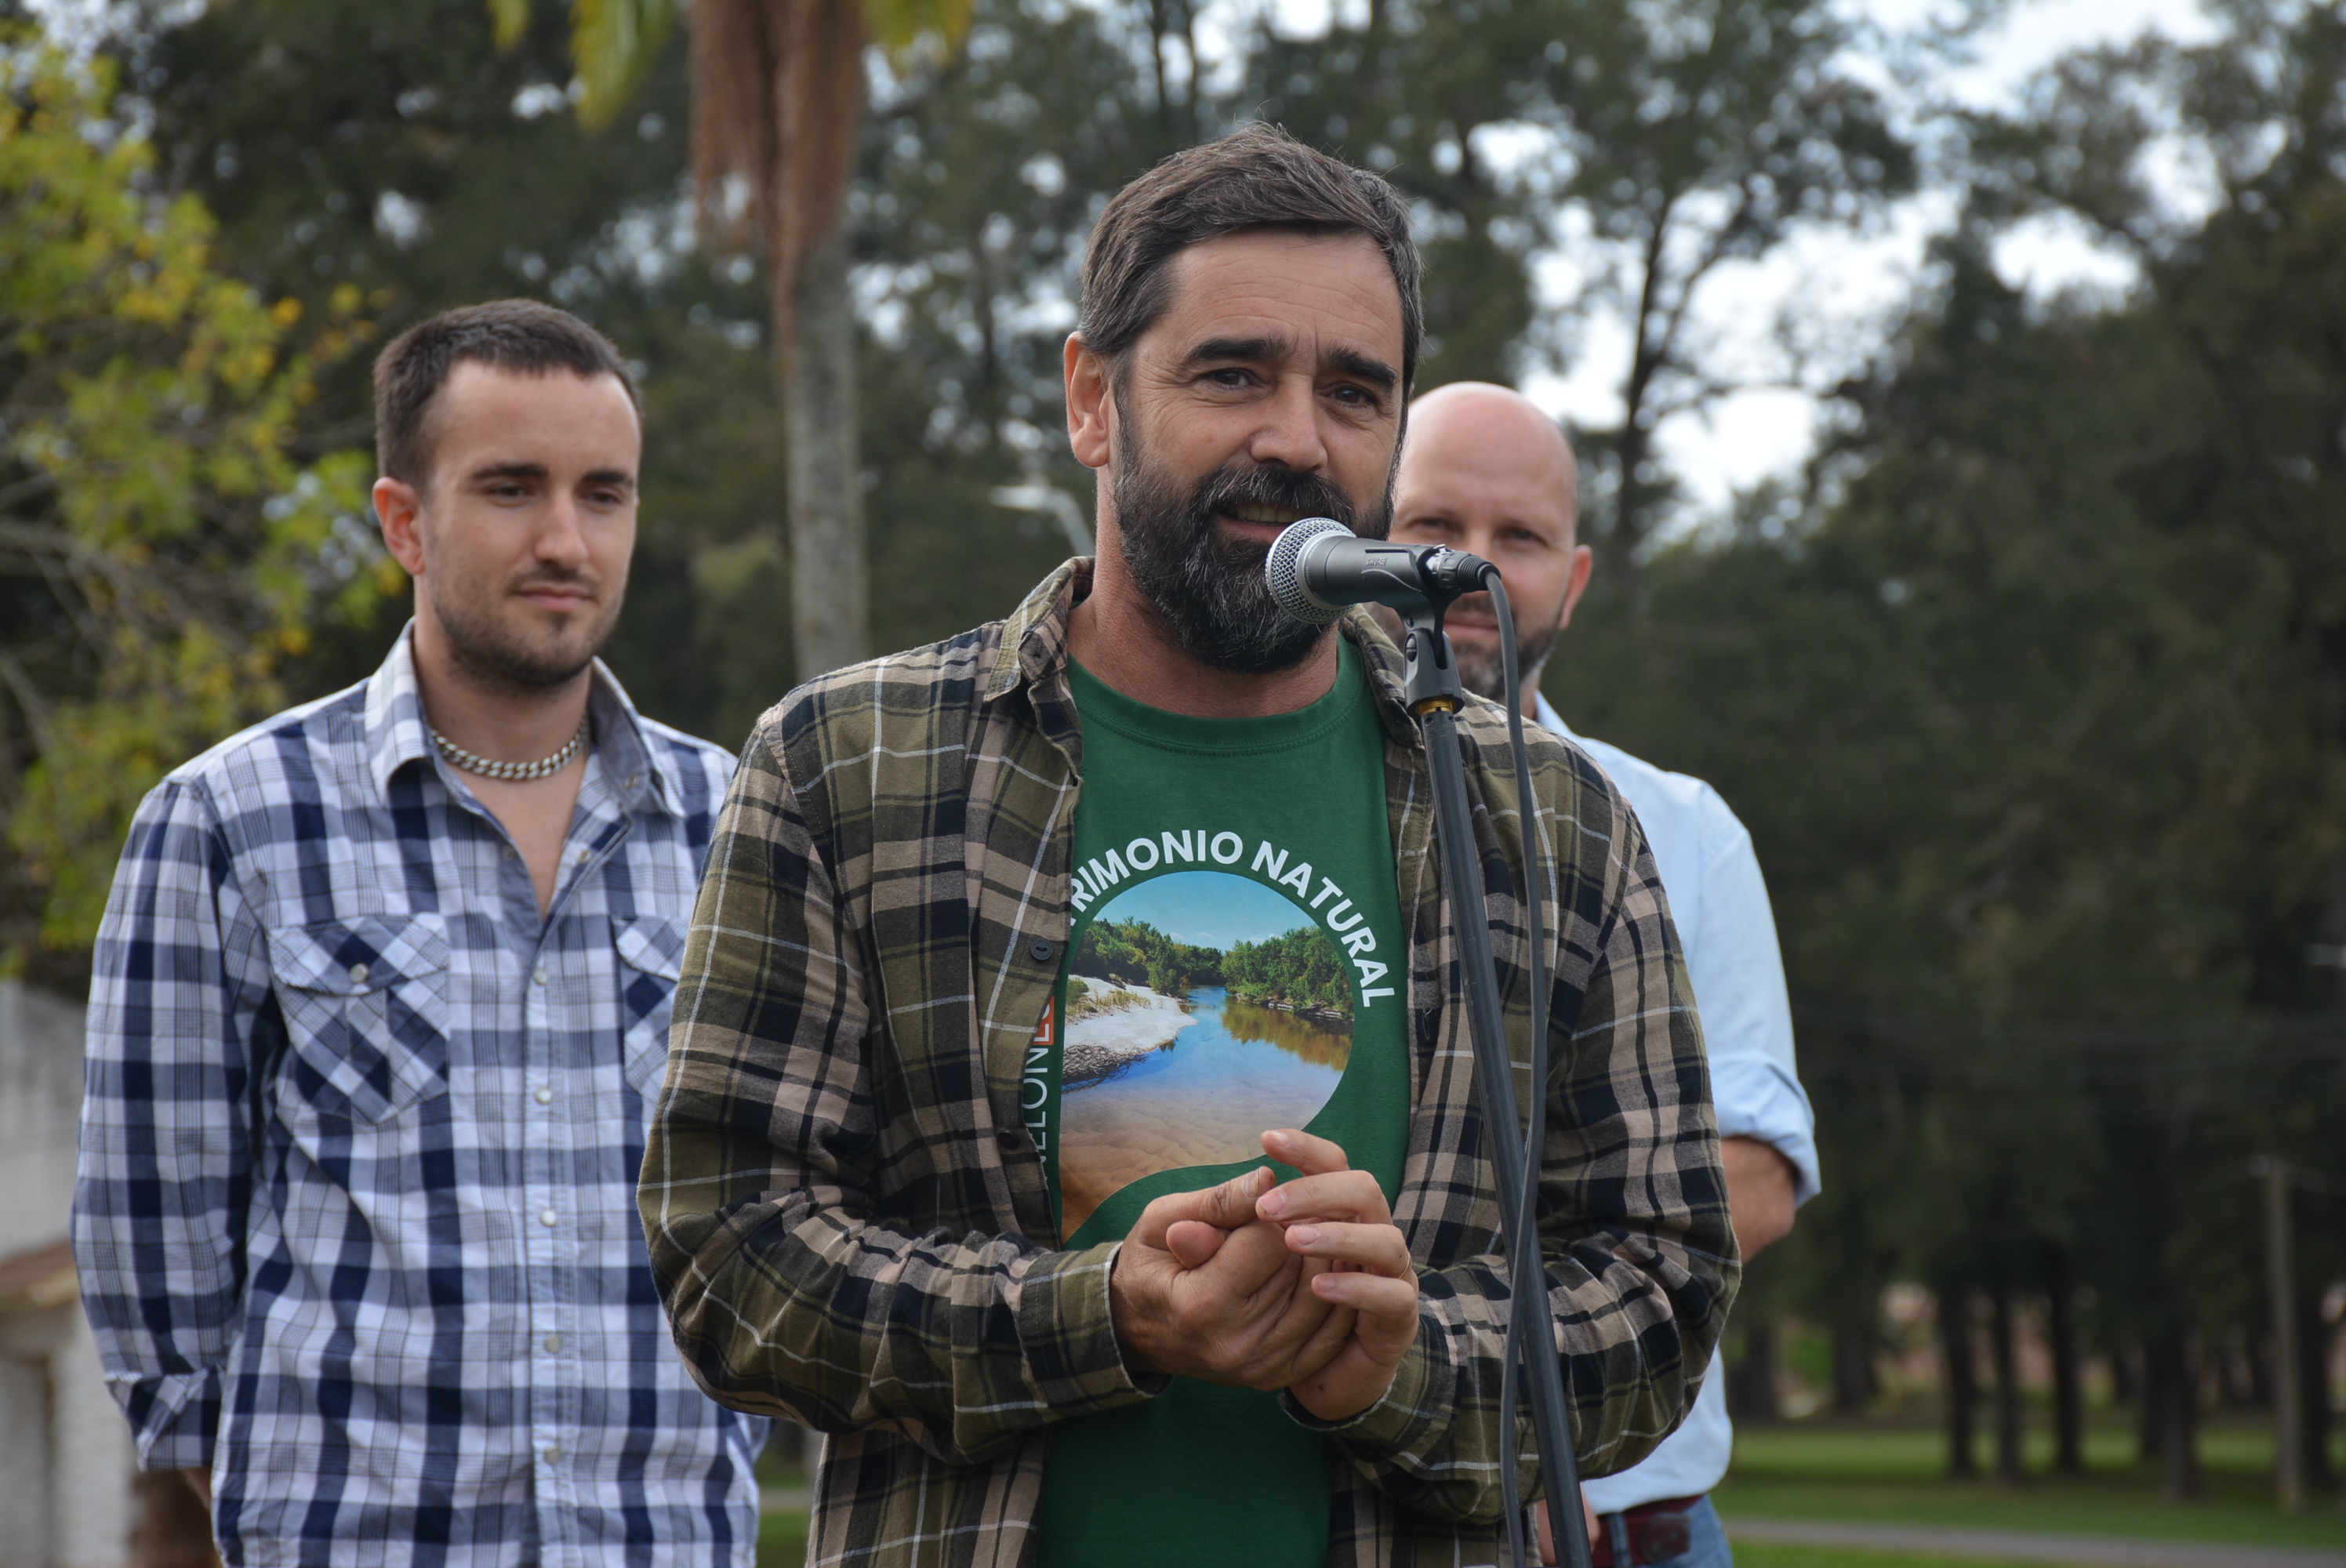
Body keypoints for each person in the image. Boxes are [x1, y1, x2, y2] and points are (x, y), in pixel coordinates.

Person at [639, 126, 1736, 1568]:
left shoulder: (1547, 814)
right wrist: (1110, 1318)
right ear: (1093, 399)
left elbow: (1662, 1280)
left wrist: (1400, 1367)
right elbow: (729, 1252)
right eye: (1233, 373)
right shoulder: (850, 765)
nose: (1298, 438)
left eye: (1355, 391)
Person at [71, 299, 768, 1563]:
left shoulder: (738, 823)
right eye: (512, 488)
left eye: (603, 494)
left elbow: (770, 1203)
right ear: (404, 520)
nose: (566, 537)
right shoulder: (229, 822)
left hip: (665, 1536)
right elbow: (155, 1234)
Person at [1388, 382, 1821, 1567]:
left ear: (1570, 583)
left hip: (1634, 1532)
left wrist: (1521, 1416)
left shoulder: (1680, 828)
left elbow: (1751, 1176)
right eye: (1432, 526)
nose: (1469, 568)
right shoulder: (1268, 814)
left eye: (1516, 538)